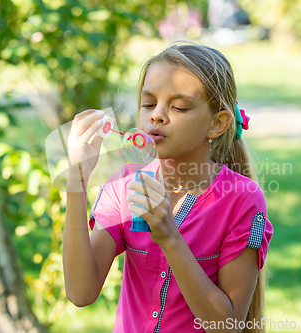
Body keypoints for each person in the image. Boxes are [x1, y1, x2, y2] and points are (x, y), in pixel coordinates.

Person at [63, 41, 274, 333]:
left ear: (218, 123)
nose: (156, 115)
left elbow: (227, 326)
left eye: (179, 107)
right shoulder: (124, 185)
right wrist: (77, 181)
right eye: (148, 104)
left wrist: (169, 238)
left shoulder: (241, 199)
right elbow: (81, 292)